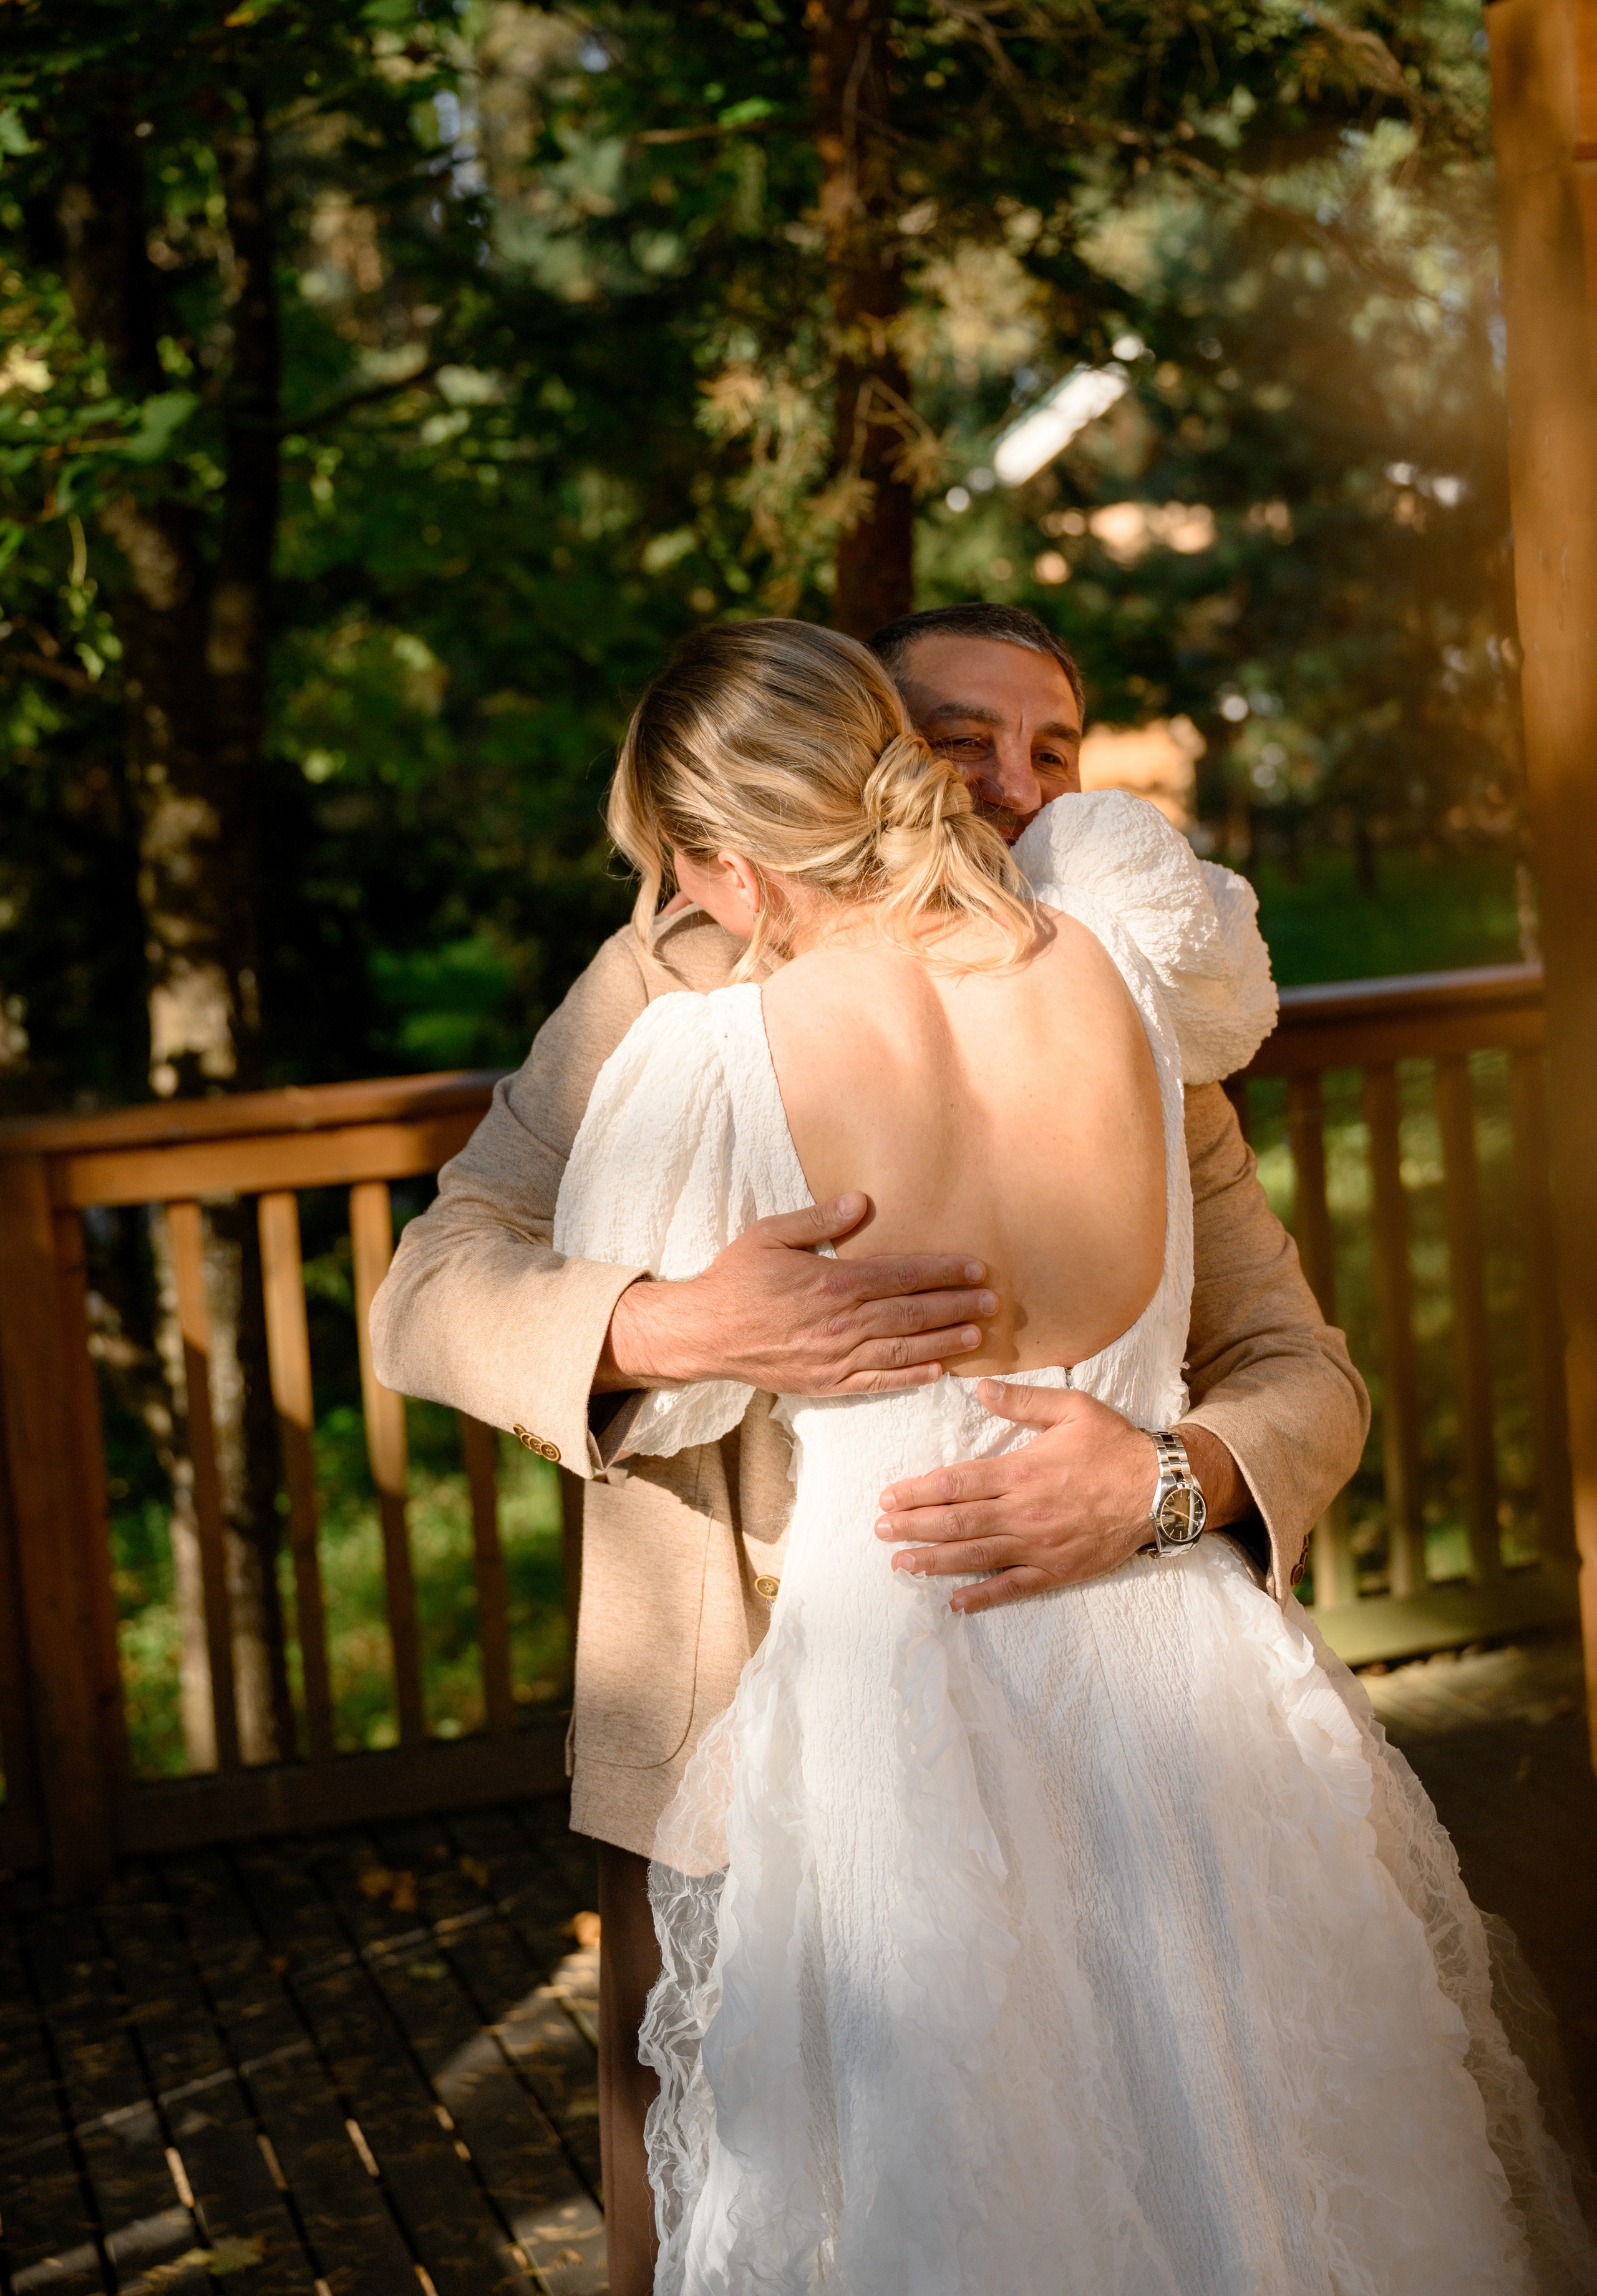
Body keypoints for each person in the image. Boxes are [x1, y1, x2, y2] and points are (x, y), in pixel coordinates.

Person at [552, 618, 1591, 2295]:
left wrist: (731, 1321)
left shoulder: (711, 1056)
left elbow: (671, 1403)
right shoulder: (1127, 982)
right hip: (1182, 1666)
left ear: (722, 864)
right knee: (1265, 2141)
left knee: (967, 2186)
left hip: (903, 1681)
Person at [368, 604, 1371, 2291]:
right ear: (868, 751)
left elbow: (1300, 1365)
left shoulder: (1121, 999)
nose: (1015, 785)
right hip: (731, 1739)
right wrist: (672, 1327)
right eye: (963, 739)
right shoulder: (667, 982)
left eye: (1053, 751)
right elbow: (427, 1289)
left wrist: (1165, 1478)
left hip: (1121, 1731)